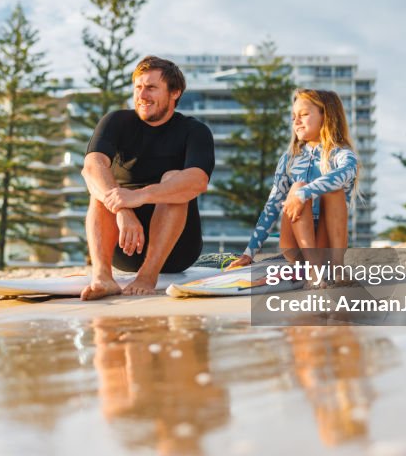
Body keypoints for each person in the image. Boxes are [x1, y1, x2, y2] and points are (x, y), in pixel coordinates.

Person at [80, 56, 215, 300]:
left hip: (177, 250)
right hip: (122, 243)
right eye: (138, 87)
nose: (142, 95)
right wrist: (123, 209)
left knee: (174, 179)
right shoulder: (116, 121)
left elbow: (197, 180)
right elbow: (91, 166)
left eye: (151, 88)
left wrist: (138, 196)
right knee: (100, 185)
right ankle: (102, 276)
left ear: (175, 92)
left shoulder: (194, 131)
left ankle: (147, 275)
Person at [227, 89, 359, 284]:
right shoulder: (289, 158)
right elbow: (272, 206)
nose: (296, 121)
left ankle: (337, 269)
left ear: (327, 115)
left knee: (332, 189)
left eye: (304, 115)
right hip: (295, 244)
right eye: (293, 117)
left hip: (327, 244)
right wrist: (249, 252)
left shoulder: (342, 155)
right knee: (297, 185)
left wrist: (304, 193)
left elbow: (346, 172)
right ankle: (313, 271)